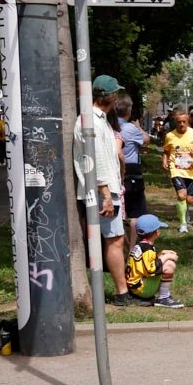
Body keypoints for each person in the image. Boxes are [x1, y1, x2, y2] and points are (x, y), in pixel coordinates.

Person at [79, 75, 128, 304]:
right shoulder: (91, 122)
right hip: (102, 192)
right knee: (114, 240)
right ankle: (122, 293)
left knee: (115, 239)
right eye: (116, 93)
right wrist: (106, 195)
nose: (117, 97)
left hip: (107, 190)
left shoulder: (101, 120)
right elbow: (94, 160)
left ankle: (120, 289)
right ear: (109, 96)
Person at [123, 214, 185, 308]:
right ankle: (163, 298)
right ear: (157, 232)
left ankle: (163, 297)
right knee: (169, 265)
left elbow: (145, 262)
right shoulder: (147, 249)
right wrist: (166, 257)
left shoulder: (140, 246)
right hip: (141, 289)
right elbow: (150, 269)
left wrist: (161, 254)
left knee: (165, 260)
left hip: (134, 287)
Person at [161, 108, 193, 234]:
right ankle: (183, 223)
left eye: (184, 122)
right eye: (179, 122)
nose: (181, 124)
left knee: (190, 199)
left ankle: (185, 211)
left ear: (188, 121)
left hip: (192, 171)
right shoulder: (170, 136)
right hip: (176, 169)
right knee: (181, 195)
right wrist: (164, 161)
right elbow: (166, 151)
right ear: (175, 122)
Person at [115, 98, 149, 245]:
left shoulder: (109, 126)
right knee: (135, 211)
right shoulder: (130, 128)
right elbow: (146, 140)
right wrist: (139, 127)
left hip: (112, 169)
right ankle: (132, 246)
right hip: (131, 170)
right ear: (129, 110)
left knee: (120, 207)